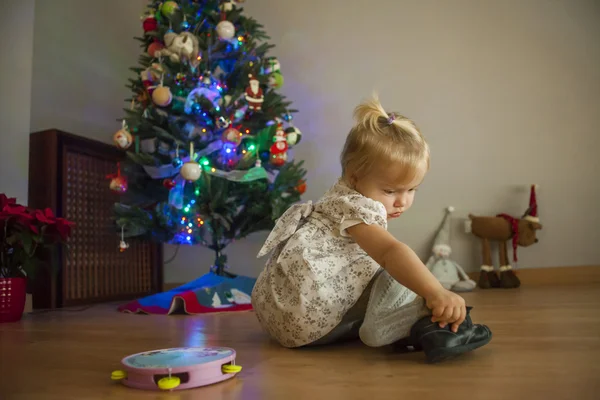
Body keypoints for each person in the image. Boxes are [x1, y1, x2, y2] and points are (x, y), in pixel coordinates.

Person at [251, 94, 492, 363]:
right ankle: (415, 326)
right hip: (316, 322)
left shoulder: (336, 198)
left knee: (388, 268)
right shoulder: (358, 207)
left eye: (412, 189)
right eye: (390, 190)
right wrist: (436, 292)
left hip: (287, 323)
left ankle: (403, 324)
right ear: (354, 175)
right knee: (400, 271)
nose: (402, 201)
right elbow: (390, 252)